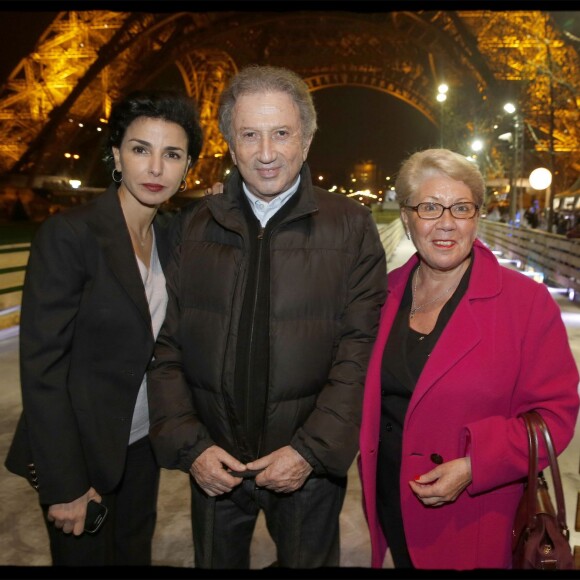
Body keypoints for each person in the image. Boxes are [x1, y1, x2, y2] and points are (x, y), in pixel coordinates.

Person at [147, 64, 387, 569]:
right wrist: (193, 449)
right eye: (250, 135)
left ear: (306, 138)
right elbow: (165, 348)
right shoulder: (192, 227)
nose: (266, 152)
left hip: (308, 467)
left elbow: (358, 352)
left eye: (281, 133)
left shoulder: (352, 228)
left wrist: (310, 451)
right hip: (215, 461)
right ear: (231, 145)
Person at [4, 89, 203, 566]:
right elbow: (42, 370)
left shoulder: (168, 238)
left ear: (187, 166)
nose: (155, 168)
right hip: (80, 453)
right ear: (116, 155)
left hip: (138, 446)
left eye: (172, 154)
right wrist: (65, 483)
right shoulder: (70, 235)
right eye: (141, 149)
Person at [358, 148, 579, 570]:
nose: (446, 223)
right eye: (429, 207)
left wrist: (478, 465)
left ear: (477, 216)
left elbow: (556, 415)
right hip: (392, 502)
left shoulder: (525, 302)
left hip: (477, 517)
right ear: (406, 217)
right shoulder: (380, 295)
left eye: (461, 207)